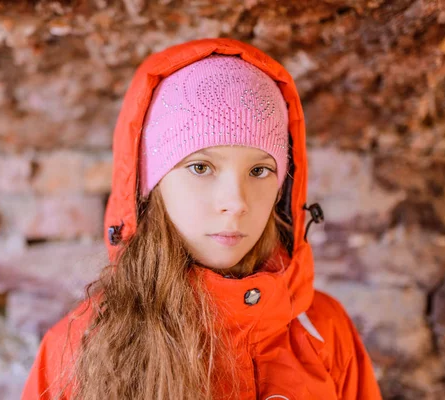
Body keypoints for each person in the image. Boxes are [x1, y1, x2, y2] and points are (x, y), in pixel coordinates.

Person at [20, 38, 382, 400]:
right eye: (201, 167)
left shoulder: (324, 331)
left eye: (259, 170)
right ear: (152, 185)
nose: (236, 202)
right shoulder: (80, 348)